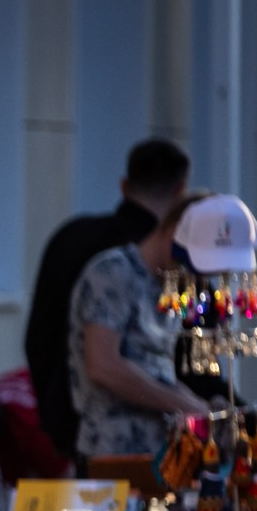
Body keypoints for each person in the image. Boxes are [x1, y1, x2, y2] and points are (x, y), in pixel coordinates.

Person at [25, 138, 192, 461]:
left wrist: (54, 419)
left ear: (124, 186)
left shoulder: (71, 236)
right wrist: (187, 403)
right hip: (113, 440)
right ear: (179, 192)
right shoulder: (132, 265)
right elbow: (107, 365)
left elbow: (39, 339)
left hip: (74, 424)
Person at [68, 193, 213, 464]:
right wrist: (181, 403)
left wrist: (200, 406)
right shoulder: (113, 273)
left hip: (158, 453)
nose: (199, 276)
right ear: (175, 232)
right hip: (112, 455)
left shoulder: (168, 287)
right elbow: (102, 366)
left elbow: (155, 370)